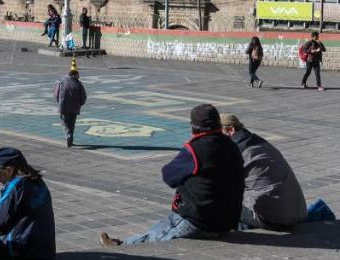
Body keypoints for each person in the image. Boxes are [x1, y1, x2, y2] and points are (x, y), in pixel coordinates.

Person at [101, 104, 245, 246]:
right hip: (228, 220)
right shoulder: (231, 145)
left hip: (201, 220)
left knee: (156, 237)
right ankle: (123, 242)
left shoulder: (196, 149)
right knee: (161, 225)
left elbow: (169, 176)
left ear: (194, 127)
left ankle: (121, 247)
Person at [221, 114, 307, 231]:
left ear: (230, 130)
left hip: (273, 218)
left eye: (217, 133)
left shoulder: (238, 151)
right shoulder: (259, 142)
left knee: (218, 204)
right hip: (297, 211)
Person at [0, 147, 56, 260]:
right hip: (44, 248)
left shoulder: (17, 186)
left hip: (22, 247)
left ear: (9, 170)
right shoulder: (36, 180)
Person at [54, 67, 87, 148]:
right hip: (75, 107)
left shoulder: (62, 82)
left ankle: (68, 135)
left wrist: (59, 102)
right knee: (72, 123)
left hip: (64, 106)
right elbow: (83, 96)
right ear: (73, 75)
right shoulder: (78, 84)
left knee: (65, 123)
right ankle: (70, 138)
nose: (79, 77)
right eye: (78, 75)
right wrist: (80, 104)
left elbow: (56, 93)